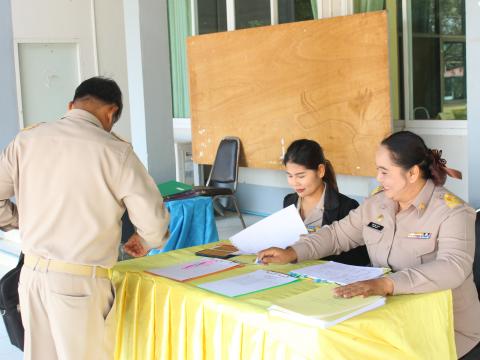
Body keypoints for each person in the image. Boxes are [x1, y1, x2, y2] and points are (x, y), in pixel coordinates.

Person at [258, 131, 480, 358]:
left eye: (384, 172)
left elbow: (453, 267)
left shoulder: (453, 212)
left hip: (443, 328)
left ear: (412, 173)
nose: (378, 179)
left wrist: (387, 284)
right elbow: (337, 235)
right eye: (377, 170)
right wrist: (293, 252)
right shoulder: (377, 203)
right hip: (390, 320)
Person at [0, 77, 170, 359]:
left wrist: (20, 219)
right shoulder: (116, 152)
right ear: (111, 112)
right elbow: (153, 221)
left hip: (30, 279)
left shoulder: (26, 140)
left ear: (71, 105)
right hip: (79, 284)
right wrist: (145, 240)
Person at [283, 139, 370, 266]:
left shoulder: (347, 207)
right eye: (290, 176)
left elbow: (360, 259)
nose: (294, 182)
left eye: (301, 176)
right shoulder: (289, 202)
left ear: (320, 171)